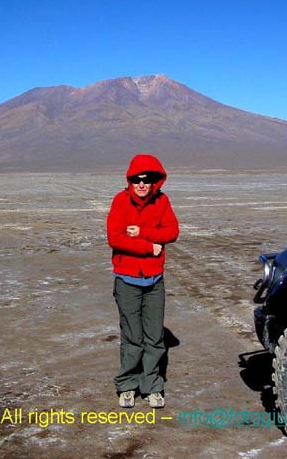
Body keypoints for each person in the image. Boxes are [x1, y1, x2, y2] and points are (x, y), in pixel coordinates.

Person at [106, 154, 179, 409]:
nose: (141, 184)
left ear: (155, 182)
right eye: (136, 179)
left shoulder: (162, 201)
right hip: (127, 280)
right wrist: (150, 247)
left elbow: (172, 231)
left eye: (147, 180)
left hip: (154, 281)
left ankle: (152, 386)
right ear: (129, 180)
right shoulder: (120, 201)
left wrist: (143, 232)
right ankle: (127, 385)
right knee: (132, 336)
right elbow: (115, 238)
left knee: (155, 337)